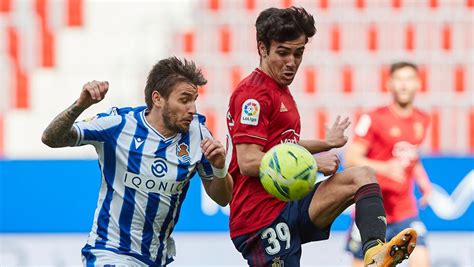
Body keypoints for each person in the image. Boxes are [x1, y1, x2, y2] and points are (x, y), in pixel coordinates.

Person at [226, 7, 417, 267]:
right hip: (259, 218)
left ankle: (374, 252)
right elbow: (249, 161)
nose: (292, 62)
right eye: (283, 52)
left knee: (362, 177)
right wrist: (313, 163)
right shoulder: (253, 96)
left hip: (286, 204)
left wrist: (326, 144)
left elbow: (280, 146)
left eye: (299, 53)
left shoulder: (279, 90)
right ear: (262, 48)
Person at [41, 57, 233, 266]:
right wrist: (80, 106)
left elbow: (223, 198)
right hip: (110, 252)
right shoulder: (119, 125)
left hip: (154, 258)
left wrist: (220, 167)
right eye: (185, 99)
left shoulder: (197, 133)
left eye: (194, 99)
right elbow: (51, 138)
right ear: (158, 99)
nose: (193, 109)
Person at [345, 61, 432, 267]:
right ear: (390, 84)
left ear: (418, 84)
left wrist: (424, 183)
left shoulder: (423, 119)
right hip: (372, 211)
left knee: (422, 259)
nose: (404, 85)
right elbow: (350, 160)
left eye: (409, 79)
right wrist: (385, 168)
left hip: (405, 210)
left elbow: (412, 157)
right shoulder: (373, 118)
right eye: (399, 80)